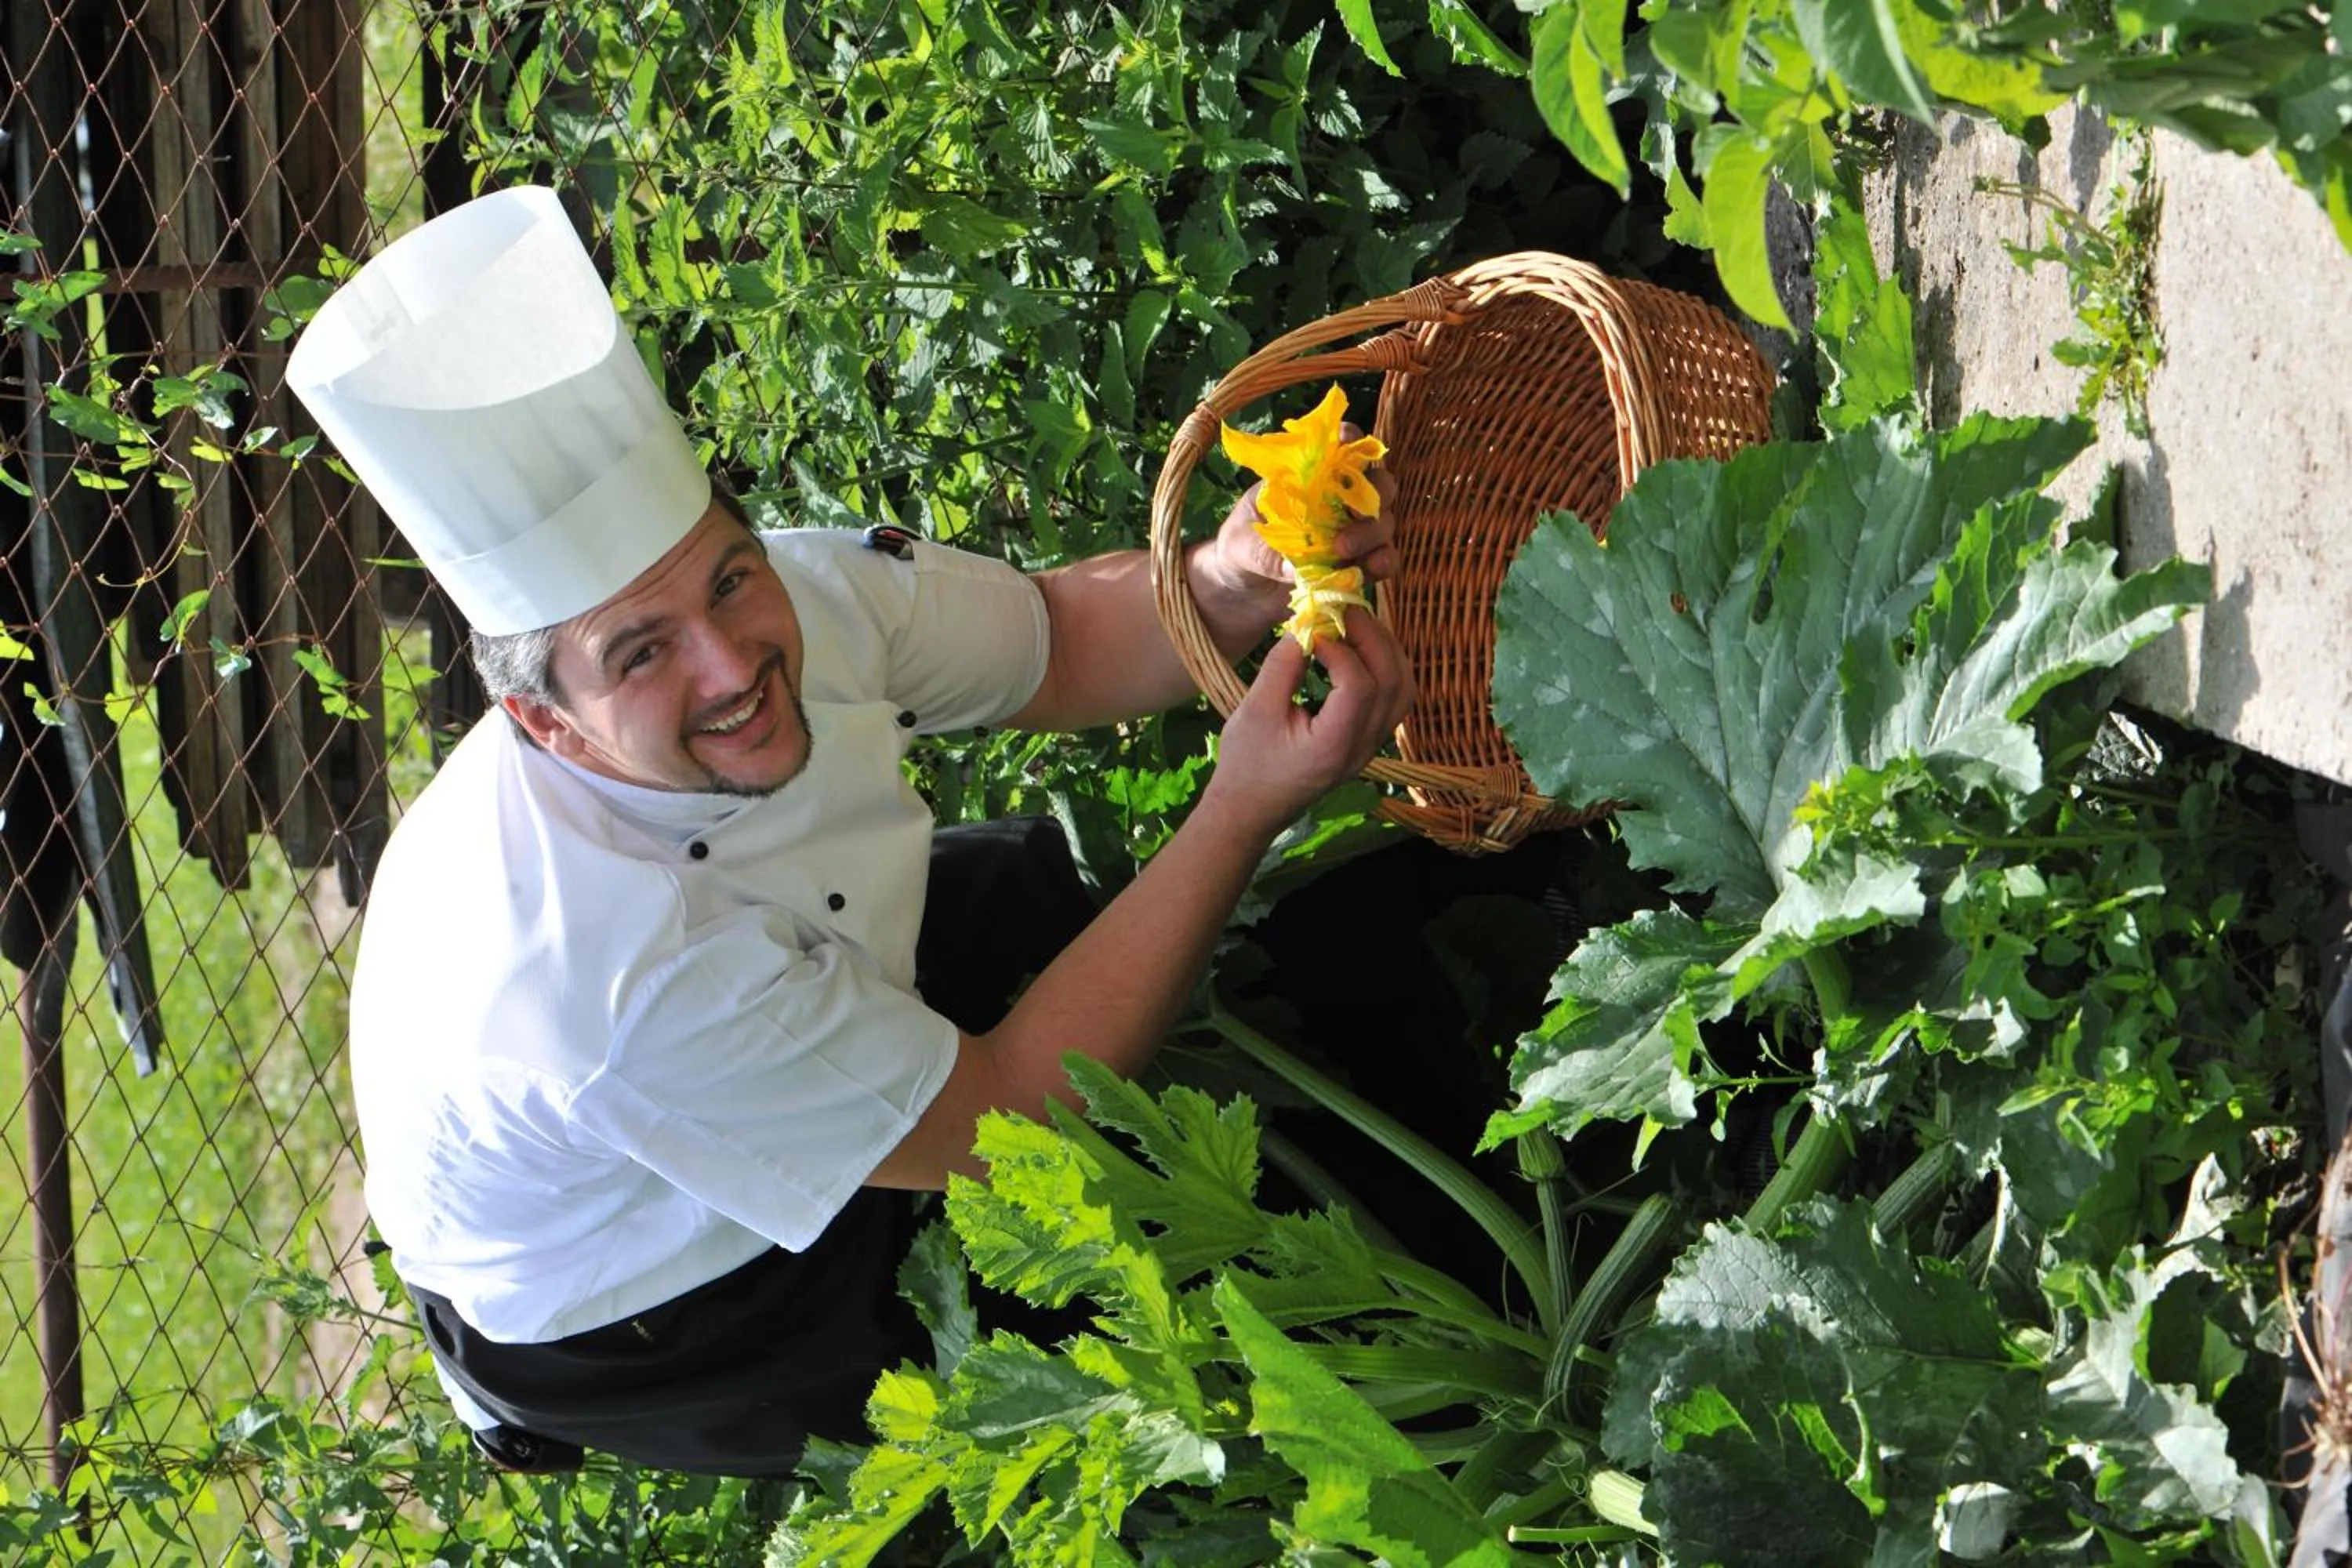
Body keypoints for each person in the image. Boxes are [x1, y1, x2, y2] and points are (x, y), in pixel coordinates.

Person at [287, 187, 1413, 1476]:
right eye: (644, 652)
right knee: (1100, 1313)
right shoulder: (614, 983)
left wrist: (1225, 580)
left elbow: (1062, 637)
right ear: (547, 726)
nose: (733, 662)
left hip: (749, 970)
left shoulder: (800, 595)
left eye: (727, 577)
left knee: (1103, 920)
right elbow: (1015, 1124)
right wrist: (1244, 803)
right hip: (657, 1291)